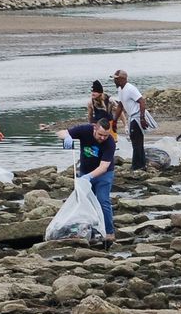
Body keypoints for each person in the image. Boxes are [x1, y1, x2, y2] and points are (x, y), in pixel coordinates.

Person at [57, 116, 117, 249]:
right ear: (95, 128)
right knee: (86, 202)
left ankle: (109, 232)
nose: (102, 138)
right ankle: (91, 231)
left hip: (104, 174)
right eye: (100, 134)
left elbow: (104, 167)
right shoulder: (84, 130)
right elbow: (60, 132)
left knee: (102, 200)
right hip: (85, 170)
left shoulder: (110, 143)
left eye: (105, 135)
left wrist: (89, 177)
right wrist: (66, 137)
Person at [113, 69, 155, 171]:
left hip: (136, 117)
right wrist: (114, 121)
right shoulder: (120, 89)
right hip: (132, 117)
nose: (114, 81)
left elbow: (142, 101)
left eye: (116, 79)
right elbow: (120, 105)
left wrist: (142, 118)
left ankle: (137, 166)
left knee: (136, 141)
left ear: (122, 79)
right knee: (136, 141)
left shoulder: (130, 89)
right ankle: (141, 164)